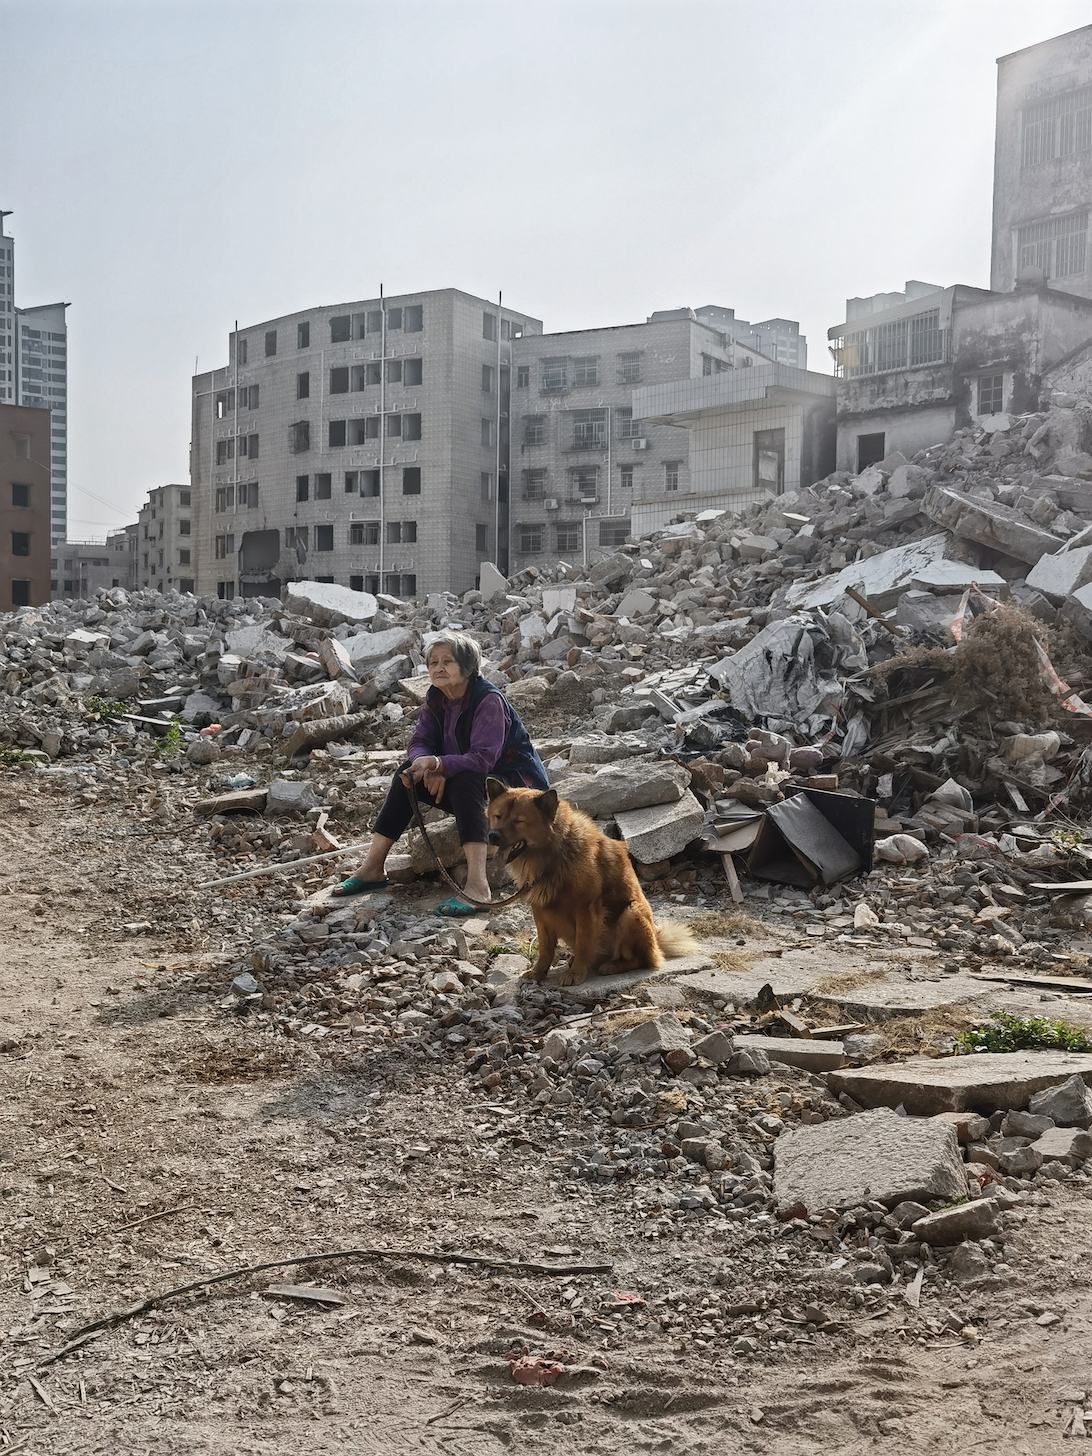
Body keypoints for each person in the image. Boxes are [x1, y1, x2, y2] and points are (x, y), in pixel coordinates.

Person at [332, 629, 549, 914]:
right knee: (407, 776)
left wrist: (438, 765)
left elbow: (483, 759)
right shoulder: (436, 697)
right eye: (433, 662)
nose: (438, 667)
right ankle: (373, 868)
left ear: (468, 667)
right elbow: (420, 741)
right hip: (465, 778)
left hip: (514, 791)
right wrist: (425, 765)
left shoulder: (488, 701)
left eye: (448, 661)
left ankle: (477, 885)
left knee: (466, 780)